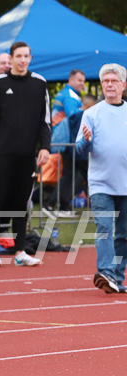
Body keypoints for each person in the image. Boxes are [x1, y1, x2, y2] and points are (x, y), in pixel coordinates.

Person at [0, 41, 50, 267]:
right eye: (18, 56)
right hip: (0, 155)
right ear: (11, 58)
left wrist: (45, 148)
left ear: (30, 58)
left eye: (26, 56)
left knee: (21, 204)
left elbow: (44, 122)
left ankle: (20, 250)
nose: (23, 60)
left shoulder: (40, 84)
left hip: (26, 156)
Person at [76, 63, 127, 294]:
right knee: (105, 228)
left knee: (124, 234)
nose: (109, 85)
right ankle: (106, 272)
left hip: (125, 184)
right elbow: (78, 150)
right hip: (100, 184)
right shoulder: (91, 113)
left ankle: (116, 277)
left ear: (123, 85)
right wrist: (86, 140)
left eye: (113, 81)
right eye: (105, 81)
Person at [43, 69, 86, 218]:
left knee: (72, 174)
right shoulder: (70, 95)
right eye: (80, 80)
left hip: (65, 140)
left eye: (83, 80)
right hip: (69, 141)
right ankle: (56, 204)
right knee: (76, 174)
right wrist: (89, 112)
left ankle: (57, 204)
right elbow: (73, 116)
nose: (83, 84)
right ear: (71, 80)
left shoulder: (65, 93)